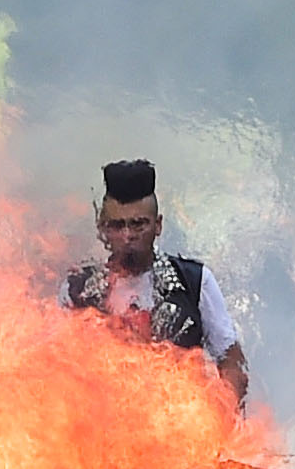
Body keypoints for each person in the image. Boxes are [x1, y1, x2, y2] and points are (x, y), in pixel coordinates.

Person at [63, 160, 249, 403]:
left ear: (158, 225)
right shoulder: (77, 289)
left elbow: (230, 359)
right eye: (117, 226)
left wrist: (226, 412)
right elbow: (57, 365)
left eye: (138, 224)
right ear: (102, 229)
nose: (128, 235)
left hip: (178, 422)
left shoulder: (194, 281)